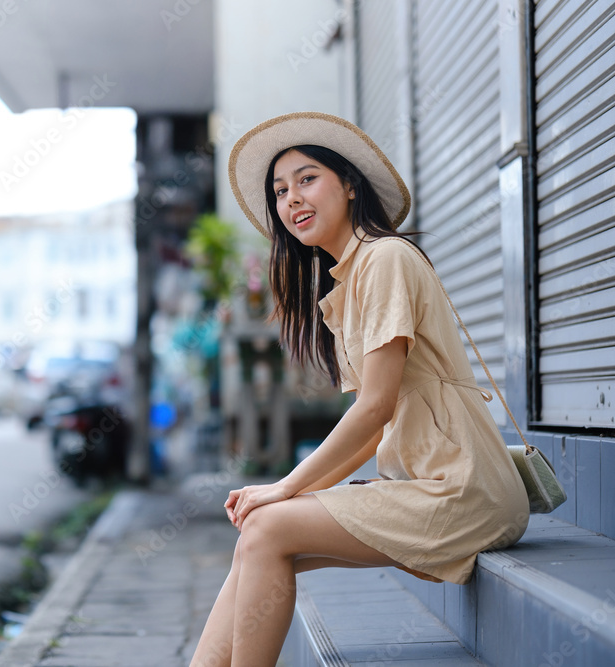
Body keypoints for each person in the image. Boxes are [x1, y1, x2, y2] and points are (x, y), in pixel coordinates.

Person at [189, 112, 530, 666]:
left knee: (267, 525)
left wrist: (284, 488)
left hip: (465, 493)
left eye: (307, 179)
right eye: (280, 191)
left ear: (350, 185)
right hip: (426, 484)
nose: (292, 199)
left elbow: (375, 408)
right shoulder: (349, 280)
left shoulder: (385, 258)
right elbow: (374, 430)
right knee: (258, 538)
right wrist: (290, 493)